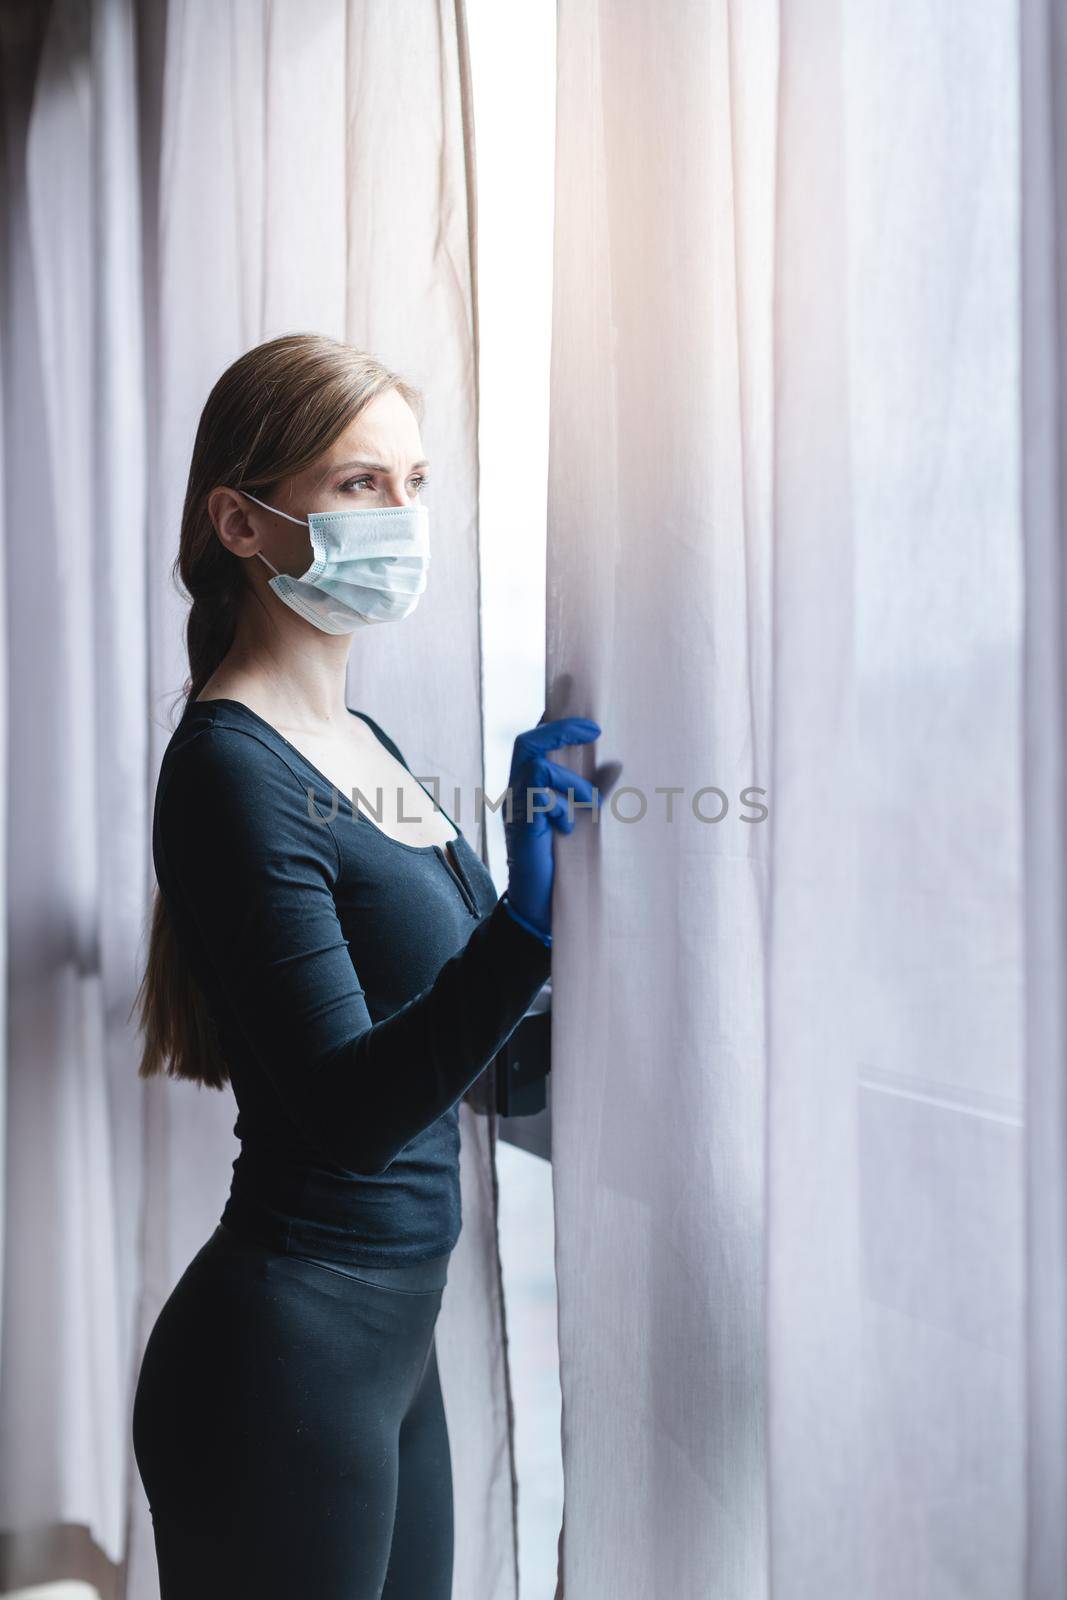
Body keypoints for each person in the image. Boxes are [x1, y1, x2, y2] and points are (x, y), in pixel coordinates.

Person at [130, 332, 605, 1599]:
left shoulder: (359, 739)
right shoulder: (232, 766)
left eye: (416, 482)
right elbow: (348, 1111)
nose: (404, 517)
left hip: (388, 1343)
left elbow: (467, 1061)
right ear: (241, 520)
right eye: (359, 485)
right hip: (282, 1361)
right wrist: (523, 921)